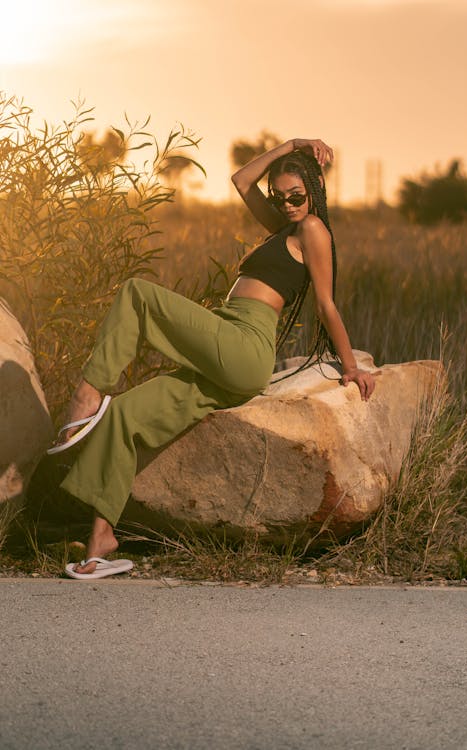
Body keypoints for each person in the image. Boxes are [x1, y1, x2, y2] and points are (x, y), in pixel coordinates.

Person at [51, 137, 376, 579]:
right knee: (126, 415)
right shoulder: (284, 227)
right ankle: (101, 539)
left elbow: (326, 304)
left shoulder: (312, 229)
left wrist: (352, 367)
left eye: (296, 197)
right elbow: (242, 180)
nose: (287, 205)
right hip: (226, 346)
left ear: (315, 190)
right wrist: (292, 144)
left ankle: (87, 394)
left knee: (137, 294)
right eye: (281, 198)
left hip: (245, 343)